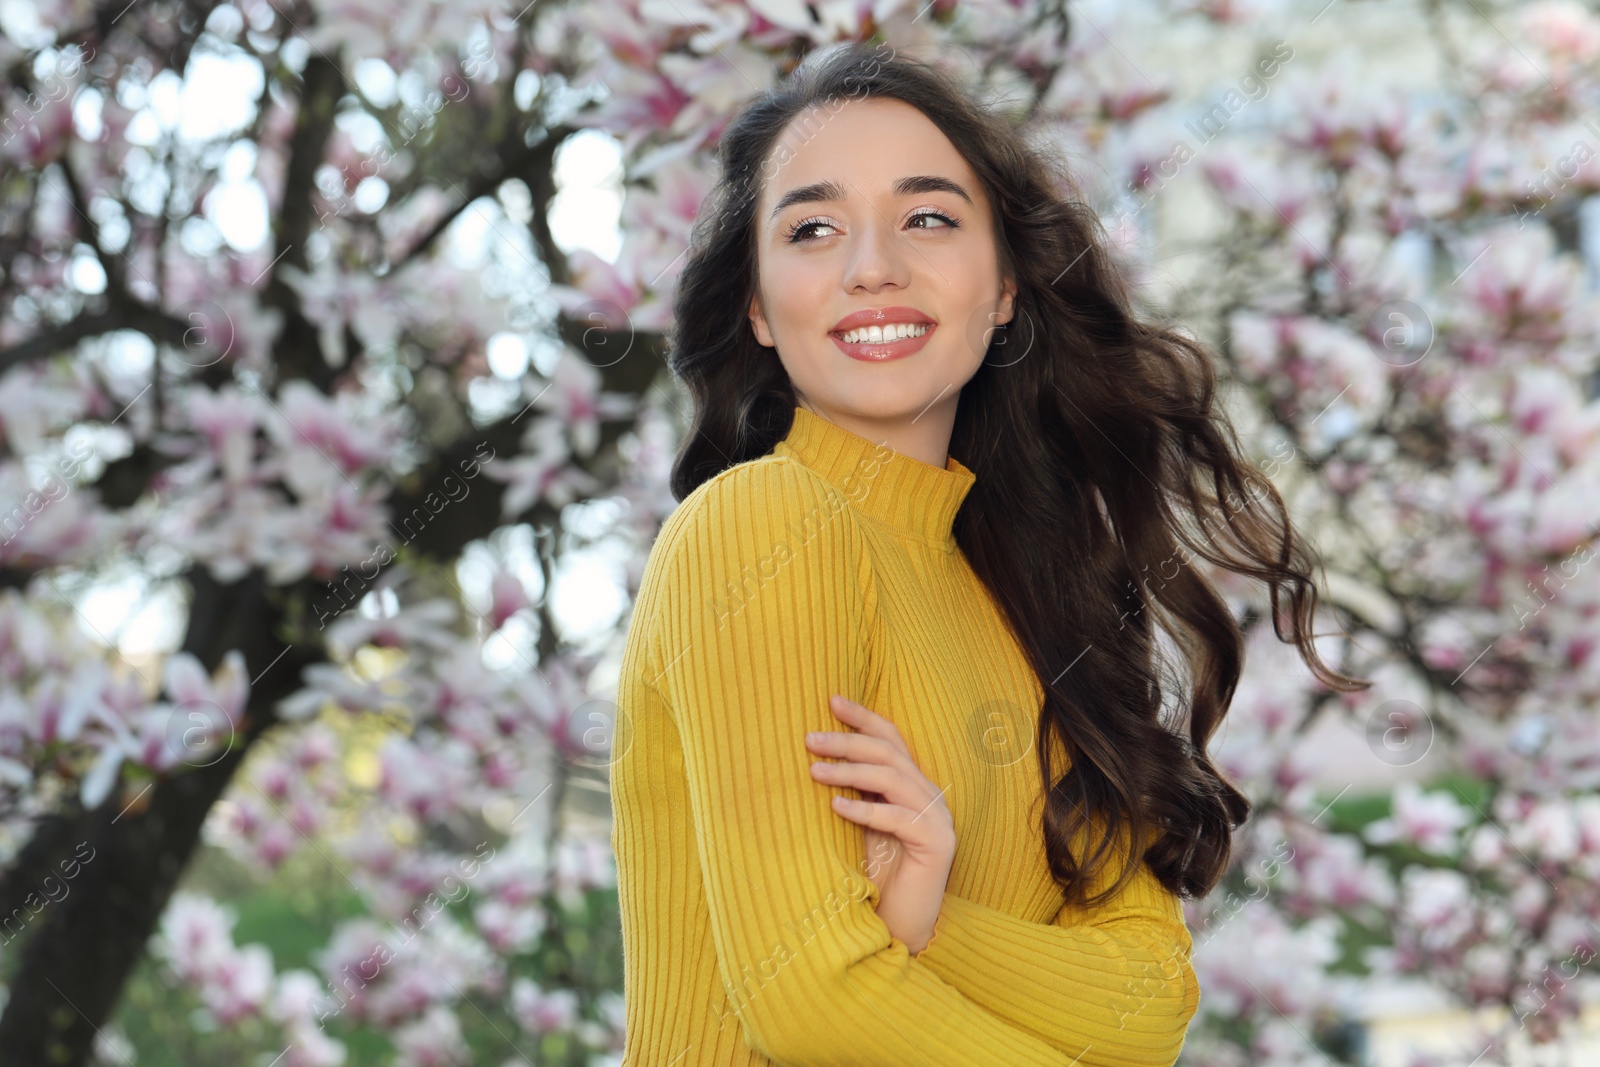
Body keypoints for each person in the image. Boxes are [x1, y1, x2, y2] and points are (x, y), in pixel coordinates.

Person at [609, 39, 1367, 1066]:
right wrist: (898, 944)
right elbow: (811, 1000)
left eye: (927, 216)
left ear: (1005, 283)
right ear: (755, 305)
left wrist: (931, 927)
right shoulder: (755, 526)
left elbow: (1148, 1002)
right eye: (812, 226)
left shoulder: (1032, 592)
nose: (872, 265)